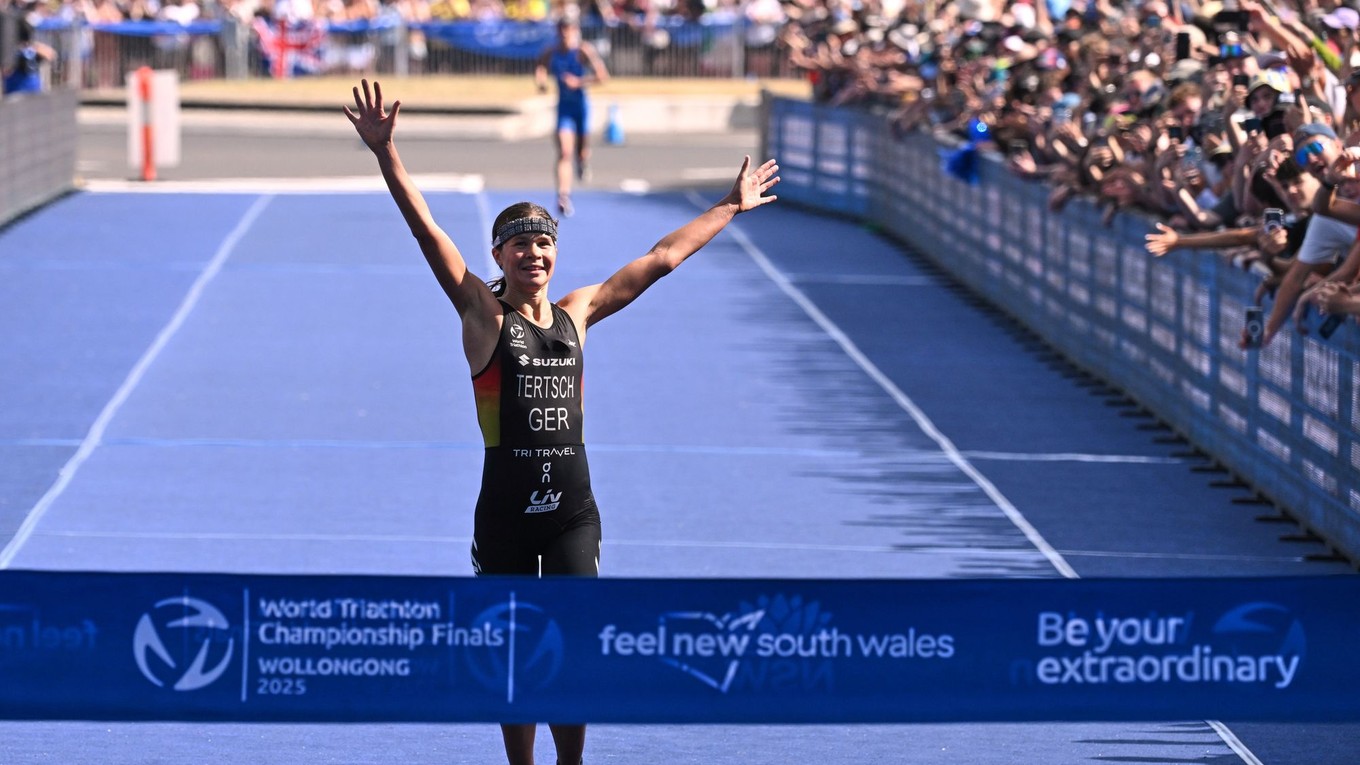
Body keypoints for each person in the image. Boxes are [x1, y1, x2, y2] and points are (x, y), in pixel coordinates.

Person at [343, 78, 778, 765]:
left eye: (543, 243)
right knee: (513, 649)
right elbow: (428, 231)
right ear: (498, 257)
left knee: (573, 645)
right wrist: (386, 154)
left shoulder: (578, 312)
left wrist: (728, 204)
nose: (534, 254)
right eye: (519, 245)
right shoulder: (483, 316)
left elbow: (660, 259)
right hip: (505, 514)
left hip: (572, 512)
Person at [534, 16, 609, 217]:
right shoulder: (552, 51)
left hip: (581, 108)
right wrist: (541, 81)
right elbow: (541, 66)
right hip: (564, 109)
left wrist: (579, 82)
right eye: (561, 30)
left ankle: (583, 162)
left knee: (581, 152)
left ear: (575, 31)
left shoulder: (583, 50)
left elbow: (602, 76)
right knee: (564, 152)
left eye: (568, 30)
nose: (564, 35)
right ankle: (563, 196)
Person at [2, 20, 56, 96]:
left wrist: (32, 46)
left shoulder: (31, 49)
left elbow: (51, 54)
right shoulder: (10, 51)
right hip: (16, 90)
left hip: (31, 89)